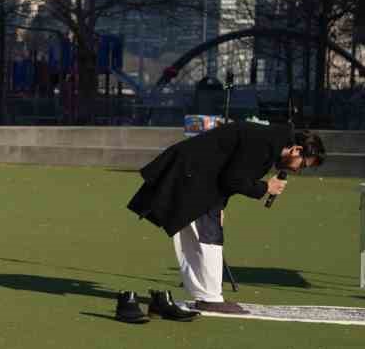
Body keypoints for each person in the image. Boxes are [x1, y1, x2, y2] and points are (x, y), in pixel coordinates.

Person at [126, 122, 325, 306]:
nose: (298, 170)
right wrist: (266, 187)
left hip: (194, 177)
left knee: (200, 235)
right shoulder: (265, 144)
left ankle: (205, 295)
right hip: (191, 177)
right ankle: (210, 297)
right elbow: (233, 179)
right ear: (296, 150)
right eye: (303, 165)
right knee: (208, 237)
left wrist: (220, 206)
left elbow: (227, 173)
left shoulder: (269, 142)